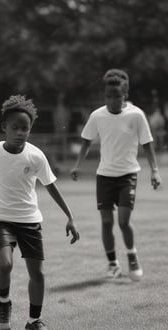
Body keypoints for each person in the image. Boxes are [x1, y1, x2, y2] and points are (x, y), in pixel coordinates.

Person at [0, 95, 79, 330]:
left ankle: (35, 320)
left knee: (37, 273)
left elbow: (51, 185)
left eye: (25, 128)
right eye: (15, 127)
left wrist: (70, 216)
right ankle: (4, 304)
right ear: (4, 128)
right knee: (5, 263)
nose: (20, 132)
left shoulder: (36, 156)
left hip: (30, 220)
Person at [71, 69, 162, 281]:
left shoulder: (136, 115)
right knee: (106, 222)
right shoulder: (97, 116)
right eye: (108, 96)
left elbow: (147, 144)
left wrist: (155, 171)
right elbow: (86, 141)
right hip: (104, 176)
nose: (112, 100)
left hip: (128, 175)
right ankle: (113, 264)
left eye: (117, 96)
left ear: (125, 95)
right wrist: (77, 166)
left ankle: (132, 256)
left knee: (122, 221)